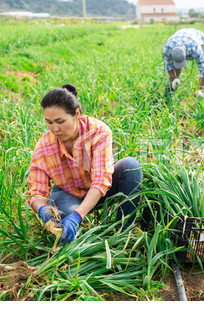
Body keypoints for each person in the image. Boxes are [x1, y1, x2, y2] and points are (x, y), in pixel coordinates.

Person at [27, 84, 143, 242]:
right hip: (67, 193)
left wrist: (78, 216)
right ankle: (77, 246)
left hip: (99, 191)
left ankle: (123, 234)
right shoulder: (44, 146)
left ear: (76, 114)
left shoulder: (98, 132)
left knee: (131, 166)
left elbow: (102, 179)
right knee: (64, 226)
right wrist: (42, 209)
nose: (54, 128)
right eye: (49, 122)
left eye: (60, 121)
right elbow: (36, 191)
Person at [163, 28, 204, 97]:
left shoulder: (195, 48)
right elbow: (169, 66)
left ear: (186, 54)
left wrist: (199, 88)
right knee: (175, 71)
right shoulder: (167, 49)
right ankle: (167, 97)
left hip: (198, 38)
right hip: (178, 38)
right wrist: (174, 78)